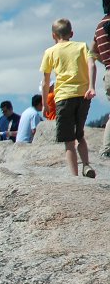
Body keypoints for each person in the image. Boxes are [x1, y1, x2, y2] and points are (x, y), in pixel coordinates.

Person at [41, 18, 97, 178]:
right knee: (80, 134)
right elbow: (91, 65)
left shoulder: (50, 52)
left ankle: (74, 177)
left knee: (69, 141)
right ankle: (86, 164)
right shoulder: (81, 46)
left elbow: (45, 82)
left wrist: (45, 103)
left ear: (53, 35)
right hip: (83, 95)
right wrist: (91, 87)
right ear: (71, 33)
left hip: (63, 97)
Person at [91, 0, 110, 157]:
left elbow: (92, 52)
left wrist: (106, 62)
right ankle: (106, 149)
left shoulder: (99, 26)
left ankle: (106, 149)